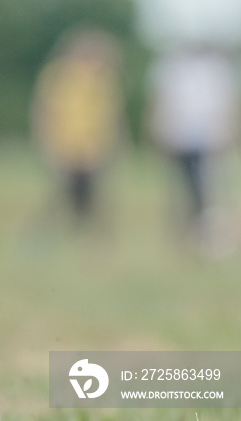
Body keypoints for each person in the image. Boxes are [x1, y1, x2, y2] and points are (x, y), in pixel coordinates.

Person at [148, 45, 239, 256]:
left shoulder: (218, 70)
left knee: (210, 190)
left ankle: (209, 235)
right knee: (182, 189)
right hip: (179, 139)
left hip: (211, 141)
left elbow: (227, 106)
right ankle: (185, 233)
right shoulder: (172, 69)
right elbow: (163, 104)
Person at [32, 29, 126, 225]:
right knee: (63, 193)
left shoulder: (103, 80)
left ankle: (86, 231)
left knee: (92, 195)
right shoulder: (58, 75)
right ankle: (49, 229)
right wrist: (48, 143)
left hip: (93, 149)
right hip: (65, 146)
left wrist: (110, 145)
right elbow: (46, 112)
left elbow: (111, 117)